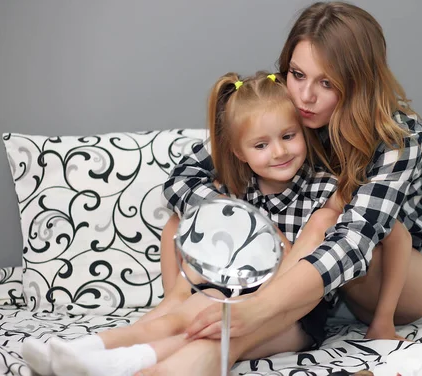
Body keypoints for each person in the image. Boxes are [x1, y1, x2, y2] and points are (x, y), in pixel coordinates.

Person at [143, 0, 422, 376]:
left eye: (327, 83)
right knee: (212, 224)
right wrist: (252, 224)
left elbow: (355, 240)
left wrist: (258, 307)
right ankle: (201, 348)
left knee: (334, 223)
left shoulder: (397, 135)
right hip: (324, 283)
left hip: (405, 274)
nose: (305, 96)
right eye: (297, 74)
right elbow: (183, 179)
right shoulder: (285, 109)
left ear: (358, 84)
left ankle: (223, 338)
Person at [20, 71, 341, 376]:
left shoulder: (323, 191)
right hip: (234, 296)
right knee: (184, 317)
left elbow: (306, 266)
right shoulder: (238, 191)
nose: (279, 151)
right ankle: (80, 350)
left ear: (304, 131)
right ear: (239, 153)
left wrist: (269, 242)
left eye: (288, 136)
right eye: (261, 145)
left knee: (203, 337)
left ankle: (117, 364)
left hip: (294, 318)